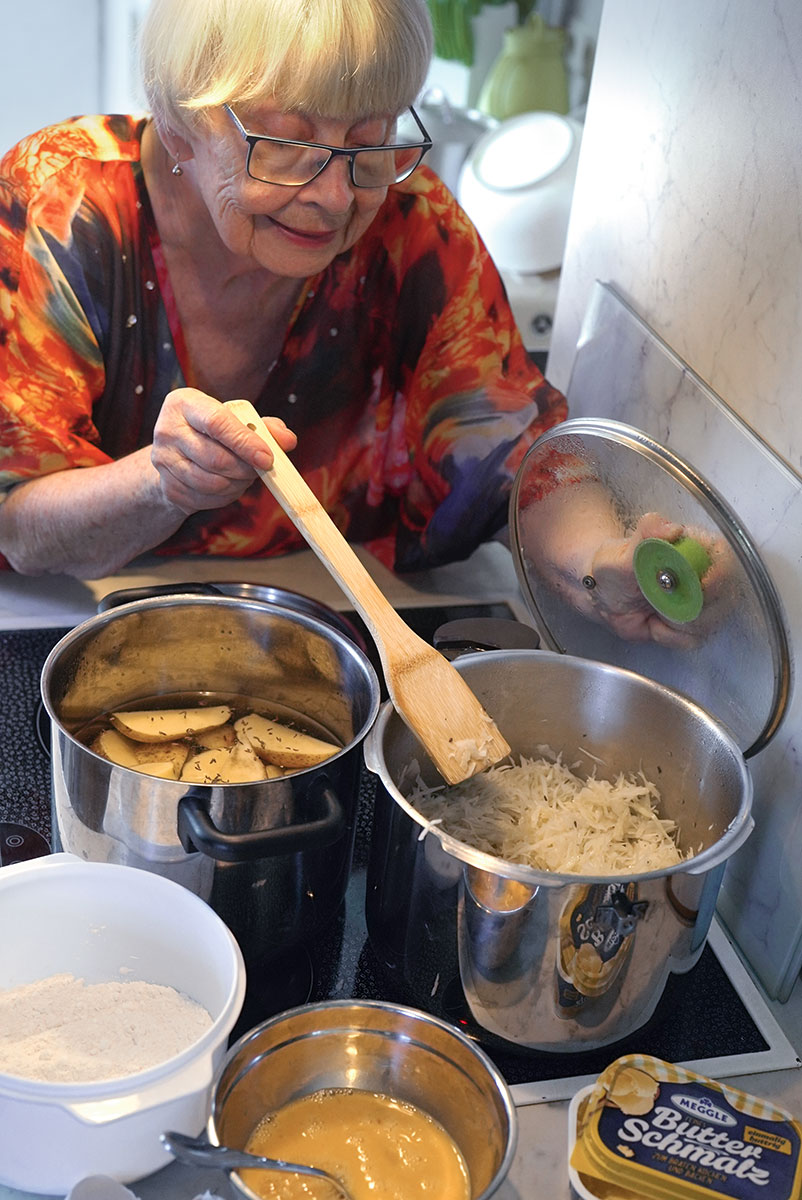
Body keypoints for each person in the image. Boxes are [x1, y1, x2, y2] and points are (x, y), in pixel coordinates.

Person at [0, 0, 567, 582]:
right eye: (283, 146)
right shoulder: (59, 208)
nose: (336, 198)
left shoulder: (412, 223)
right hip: (62, 613)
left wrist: (603, 563)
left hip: (329, 604)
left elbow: (514, 466)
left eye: (368, 137)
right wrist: (163, 483)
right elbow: (19, 524)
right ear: (178, 130)